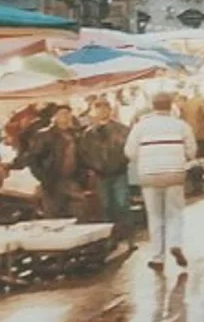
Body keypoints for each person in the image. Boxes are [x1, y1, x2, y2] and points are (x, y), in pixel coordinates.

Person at [125, 92, 196, 272]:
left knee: (155, 216)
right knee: (175, 213)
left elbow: (129, 152)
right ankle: (175, 243)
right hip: (174, 173)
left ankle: (158, 257)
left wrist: (144, 159)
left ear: (152, 105)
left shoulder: (141, 126)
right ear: (170, 105)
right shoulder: (180, 125)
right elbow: (192, 150)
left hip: (149, 175)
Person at [79, 99, 134, 251]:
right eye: (98, 108)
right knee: (106, 207)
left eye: (105, 108)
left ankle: (129, 237)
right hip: (100, 175)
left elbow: (129, 150)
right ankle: (112, 238)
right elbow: (84, 153)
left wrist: (121, 163)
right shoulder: (88, 133)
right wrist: (94, 167)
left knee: (122, 204)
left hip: (119, 173)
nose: (102, 111)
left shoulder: (122, 129)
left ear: (110, 110)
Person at [20, 106, 83, 219]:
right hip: (52, 180)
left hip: (73, 179)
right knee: (54, 215)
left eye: (68, 113)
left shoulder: (75, 134)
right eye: (62, 113)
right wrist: (43, 177)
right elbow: (33, 158)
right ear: (55, 117)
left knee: (77, 213)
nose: (66, 116)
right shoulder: (44, 135)